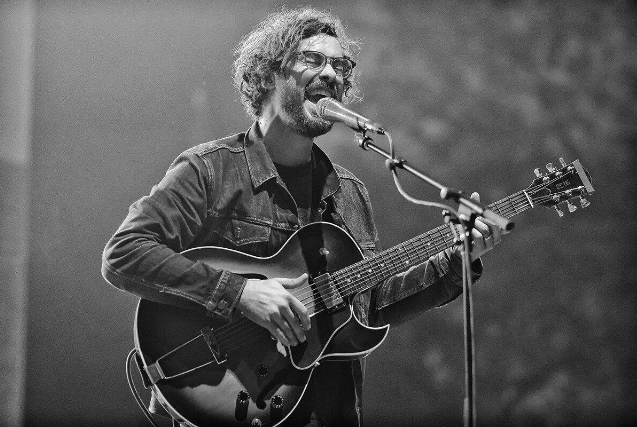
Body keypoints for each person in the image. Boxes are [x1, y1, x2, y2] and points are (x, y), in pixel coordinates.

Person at [102, 6, 502, 427]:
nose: (332, 74)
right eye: (313, 59)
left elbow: (370, 305)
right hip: (234, 396)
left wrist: (457, 260)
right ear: (268, 74)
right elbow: (124, 254)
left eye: (341, 66)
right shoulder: (210, 170)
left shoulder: (349, 192)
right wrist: (241, 293)